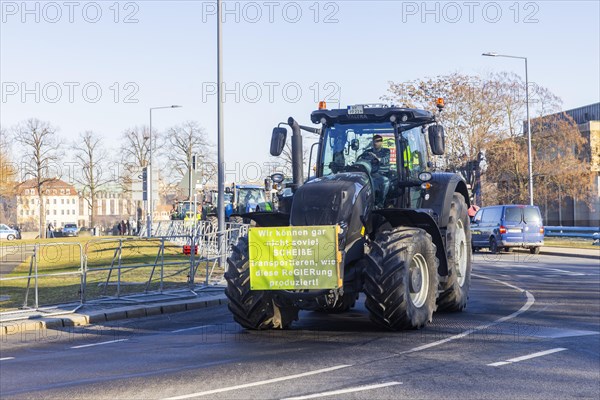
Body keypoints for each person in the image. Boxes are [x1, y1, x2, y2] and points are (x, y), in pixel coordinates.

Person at [359, 134, 391, 207]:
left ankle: (380, 203)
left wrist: (376, 157)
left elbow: (385, 160)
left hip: (382, 174)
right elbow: (360, 160)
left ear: (381, 142)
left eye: (378, 141)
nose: (375, 143)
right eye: (374, 141)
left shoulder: (386, 151)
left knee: (385, 181)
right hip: (368, 174)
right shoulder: (367, 152)